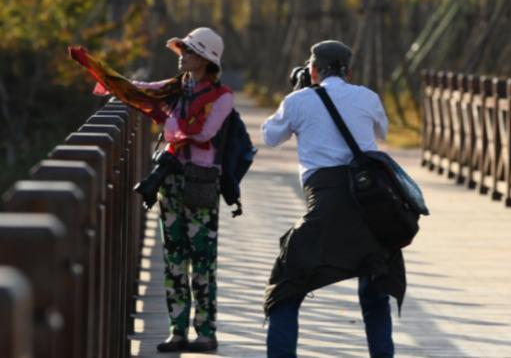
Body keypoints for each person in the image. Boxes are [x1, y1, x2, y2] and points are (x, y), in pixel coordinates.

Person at [69, 27, 232, 353]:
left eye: (187, 50)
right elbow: (135, 90)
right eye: (182, 49)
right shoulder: (173, 90)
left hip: (199, 180)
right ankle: (177, 331)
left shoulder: (221, 96)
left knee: (202, 259)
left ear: (203, 59)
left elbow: (202, 132)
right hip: (169, 179)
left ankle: (205, 331)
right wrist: (94, 66)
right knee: (173, 257)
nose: (181, 55)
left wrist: (172, 125)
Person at [261, 40, 406, 358]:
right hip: (371, 209)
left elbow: (269, 137)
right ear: (349, 70)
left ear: (312, 70)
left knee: (285, 289)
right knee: (375, 291)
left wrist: (297, 95)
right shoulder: (367, 96)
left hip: (324, 209)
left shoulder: (298, 100)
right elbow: (383, 131)